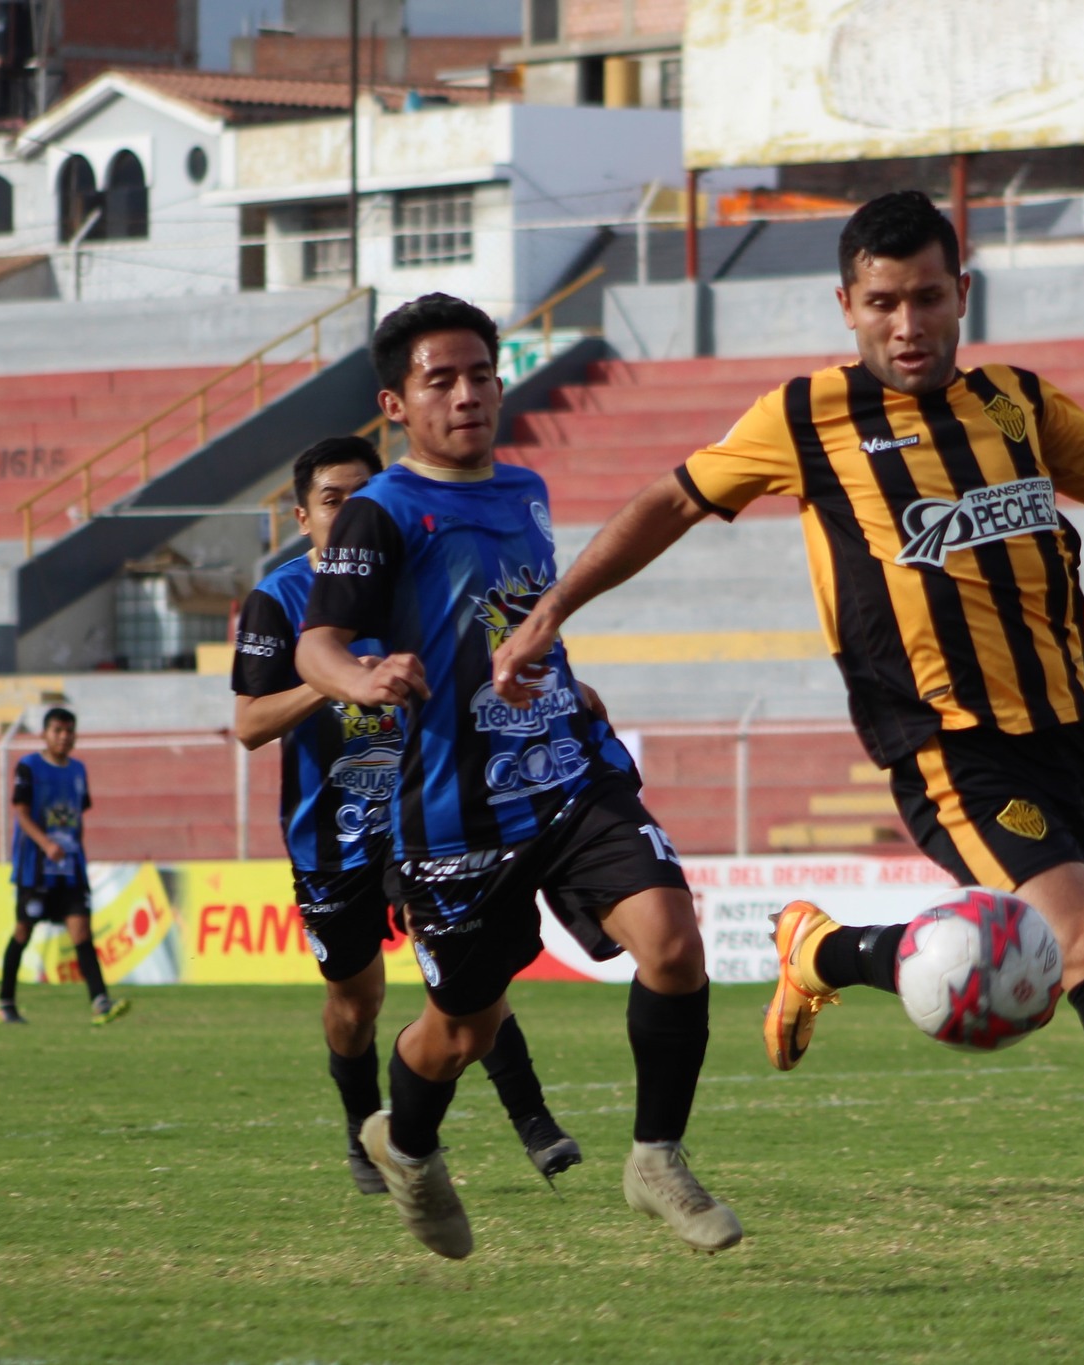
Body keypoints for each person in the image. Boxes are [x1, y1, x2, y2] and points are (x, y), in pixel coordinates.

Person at [491, 190, 1084, 1234]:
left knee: (1029, 965)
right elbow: (671, 501)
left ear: (960, 295)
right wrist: (551, 613)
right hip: (946, 744)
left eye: (928, 298)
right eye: (883, 303)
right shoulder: (804, 416)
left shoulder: (1018, 403)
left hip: (1067, 735)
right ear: (845, 305)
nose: (908, 326)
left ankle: (820, 952)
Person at [296, 293, 737, 1260]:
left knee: (670, 934)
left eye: (481, 374)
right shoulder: (380, 513)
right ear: (396, 404)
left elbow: (515, 618)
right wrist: (363, 675)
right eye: (439, 380)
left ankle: (656, 1154)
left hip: (565, 772)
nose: (466, 394)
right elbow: (317, 646)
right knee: (461, 1030)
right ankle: (406, 1144)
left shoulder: (527, 488)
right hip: (452, 814)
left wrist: (569, 685)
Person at [233, 435, 581, 1196]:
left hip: (427, 809)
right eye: (333, 501)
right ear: (302, 516)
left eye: (363, 496)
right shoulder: (281, 599)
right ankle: (366, 1129)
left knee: (467, 965)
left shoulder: (418, 576)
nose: (351, 513)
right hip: (331, 837)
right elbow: (251, 724)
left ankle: (537, 1124)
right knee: (353, 1004)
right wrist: (343, 681)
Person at [0, 708, 129, 1025]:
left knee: (82, 932)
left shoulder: (78, 770)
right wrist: (46, 844)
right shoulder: (29, 767)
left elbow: (77, 817)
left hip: (70, 868)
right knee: (22, 931)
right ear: (44, 734)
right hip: (36, 867)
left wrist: (76, 853)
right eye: (57, 730)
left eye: (69, 730)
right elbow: (21, 813)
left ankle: (100, 1002)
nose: (64, 736)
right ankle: (5, 1003)